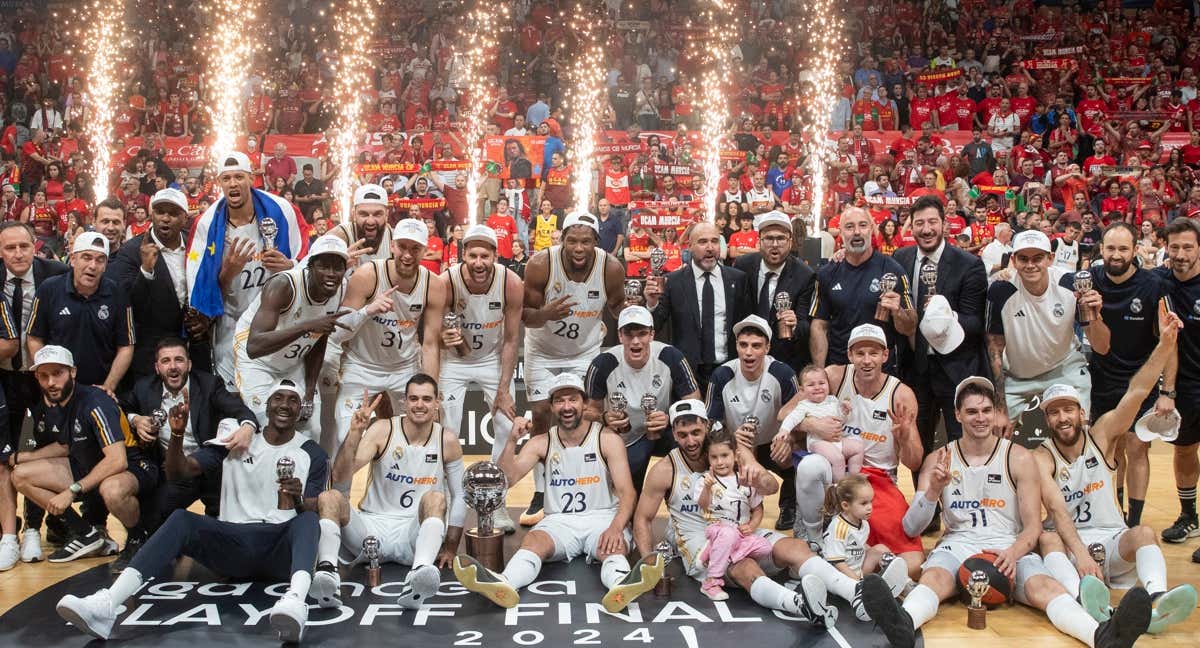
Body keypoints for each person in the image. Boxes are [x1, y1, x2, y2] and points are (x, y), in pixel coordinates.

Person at [861, 376, 1153, 648]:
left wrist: (1013, 554)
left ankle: (1101, 636)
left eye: (987, 410)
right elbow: (912, 528)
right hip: (958, 544)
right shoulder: (939, 459)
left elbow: (1032, 527)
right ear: (958, 415)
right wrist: (933, 491)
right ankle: (903, 624)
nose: (980, 418)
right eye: (972, 411)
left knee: (1045, 587)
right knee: (934, 579)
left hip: (1009, 545)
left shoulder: (1019, 457)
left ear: (996, 413)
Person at [54, 379, 329, 643]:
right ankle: (107, 605)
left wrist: (297, 500)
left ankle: (295, 602)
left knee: (306, 519)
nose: (285, 405)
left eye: (293, 401)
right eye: (278, 398)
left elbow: (315, 508)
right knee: (181, 520)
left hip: (277, 548)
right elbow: (179, 472)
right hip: (233, 544)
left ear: (300, 410)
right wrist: (176, 434)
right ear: (266, 406)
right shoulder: (236, 440)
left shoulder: (312, 452)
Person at [1036, 310, 1197, 635]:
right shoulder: (1040, 457)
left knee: (1145, 533)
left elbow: (1137, 391)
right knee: (1047, 536)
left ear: (1082, 413)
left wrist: (1165, 346)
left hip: (1111, 540)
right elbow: (1053, 509)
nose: (1063, 418)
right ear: (1047, 420)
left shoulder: (1102, 435)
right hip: (1069, 548)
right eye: (1054, 413)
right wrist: (1081, 554)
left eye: (1069, 409)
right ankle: (1082, 596)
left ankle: (1155, 602)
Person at [451, 374, 664, 613]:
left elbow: (627, 493)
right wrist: (512, 440)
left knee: (613, 548)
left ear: (584, 403)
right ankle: (505, 584)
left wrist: (616, 527)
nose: (567, 407)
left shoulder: (607, 438)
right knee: (533, 541)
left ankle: (620, 586)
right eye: (560, 401)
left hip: (602, 517)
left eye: (572, 399)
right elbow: (507, 480)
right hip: (559, 521)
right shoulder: (541, 442)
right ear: (551, 406)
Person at [633, 399, 856, 623]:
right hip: (703, 545)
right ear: (673, 433)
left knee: (796, 547)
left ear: (707, 426)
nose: (690, 441)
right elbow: (642, 518)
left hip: (742, 531)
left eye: (696, 432)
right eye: (682, 434)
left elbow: (772, 486)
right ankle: (801, 606)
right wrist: (648, 561)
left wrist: (758, 478)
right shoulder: (665, 469)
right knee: (745, 566)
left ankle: (855, 592)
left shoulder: (732, 452)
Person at [311, 374, 465, 610]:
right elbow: (339, 476)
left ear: (437, 402)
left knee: (436, 497)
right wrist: (354, 433)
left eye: (426, 399)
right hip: (371, 529)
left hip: (414, 535)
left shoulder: (447, 439)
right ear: (403, 401)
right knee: (329, 497)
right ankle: (328, 574)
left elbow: (460, 495)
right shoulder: (383, 429)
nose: (419, 405)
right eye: (413, 398)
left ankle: (419, 575)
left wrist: (451, 547)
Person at [784, 324, 924, 577]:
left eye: (873, 353)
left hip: (877, 480)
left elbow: (914, 463)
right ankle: (811, 536)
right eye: (860, 353)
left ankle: (866, 574)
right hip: (833, 469)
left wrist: (906, 437)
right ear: (850, 355)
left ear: (885, 355)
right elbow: (785, 413)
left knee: (912, 559)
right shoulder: (834, 377)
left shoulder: (901, 394)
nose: (867, 360)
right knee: (810, 464)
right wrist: (813, 424)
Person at [520, 212, 626, 525]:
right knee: (541, 413)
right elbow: (526, 315)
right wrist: (546, 315)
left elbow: (618, 306)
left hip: (585, 350)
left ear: (597, 242)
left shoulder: (611, 268)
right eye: (572, 241)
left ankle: (592, 486)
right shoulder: (541, 264)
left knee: (587, 418)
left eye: (586, 241)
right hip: (542, 349)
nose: (578, 248)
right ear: (562, 239)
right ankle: (540, 491)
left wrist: (636, 308)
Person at [119, 338, 256, 565]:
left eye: (179, 360)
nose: (173, 366)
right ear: (157, 368)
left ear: (189, 364)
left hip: (211, 467)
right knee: (153, 522)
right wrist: (136, 419)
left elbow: (240, 410)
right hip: (174, 471)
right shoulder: (144, 388)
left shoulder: (209, 384)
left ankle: (219, 531)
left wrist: (247, 427)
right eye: (166, 361)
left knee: (229, 533)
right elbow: (122, 404)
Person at [10, 346, 148, 564]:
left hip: (131, 466)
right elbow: (64, 446)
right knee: (20, 475)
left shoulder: (95, 401)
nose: (51, 382)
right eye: (44, 376)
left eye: (57, 373)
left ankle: (138, 537)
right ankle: (86, 534)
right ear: (36, 376)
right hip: (87, 468)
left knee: (111, 490)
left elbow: (117, 459)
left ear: (72, 372)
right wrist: (21, 458)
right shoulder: (53, 403)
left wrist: (72, 491)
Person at [325, 219, 446, 460]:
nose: (408, 255)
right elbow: (339, 331)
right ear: (392, 246)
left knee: (418, 438)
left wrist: (431, 390)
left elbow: (431, 343)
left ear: (425, 250)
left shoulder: (433, 284)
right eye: (402, 247)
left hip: (404, 367)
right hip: (361, 365)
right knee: (344, 439)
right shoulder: (368, 274)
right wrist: (368, 311)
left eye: (415, 249)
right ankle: (339, 497)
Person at [185, 152, 304, 390]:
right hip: (231, 323)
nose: (233, 184)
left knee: (280, 394)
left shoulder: (282, 210)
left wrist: (290, 266)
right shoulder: (206, 224)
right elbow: (199, 288)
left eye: (239, 177)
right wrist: (228, 272)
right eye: (226, 178)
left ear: (252, 179)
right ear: (219, 183)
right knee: (234, 396)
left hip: (277, 321)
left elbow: (307, 258)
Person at [1085, 223, 1170, 528]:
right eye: (1110, 248)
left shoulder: (1153, 286)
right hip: (1103, 376)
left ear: (1136, 250)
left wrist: (1166, 391)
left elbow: (1169, 341)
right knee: (1110, 447)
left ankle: (1134, 521)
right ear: (1102, 250)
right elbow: (1101, 346)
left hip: (1141, 379)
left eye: (1123, 248)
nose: (1116, 255)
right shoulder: (1089, 281)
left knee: (1137, 445)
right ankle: (1113, 514)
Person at [438, 224, 522, 531]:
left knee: (505, 424)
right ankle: (447, 502)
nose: (478, 262)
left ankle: (497, 503)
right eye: (472, 255)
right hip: (453, 362)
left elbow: (512, 339)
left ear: (495, 256)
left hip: (491, 358)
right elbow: (430, 329)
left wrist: (503, 390)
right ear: (463, 256)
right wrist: (444, 337)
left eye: (484, 255)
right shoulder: (446, 281)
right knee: (446, 430)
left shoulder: (510, 282)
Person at [893, 196, 987, 456]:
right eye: (919, 223)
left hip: (955, 368)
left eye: (933, 222)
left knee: (962, 444)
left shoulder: (969, 265)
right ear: (910, 227)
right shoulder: (899, 258)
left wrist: (946, 318)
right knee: (917, 444)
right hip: (914, 371)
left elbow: (975, 322)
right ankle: (925, 497)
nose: (926, 229)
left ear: (944, 224)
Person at [232, 235, 349, 441]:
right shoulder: (284, 285)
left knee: (312, 430)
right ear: (310, 266)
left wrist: (310, 390)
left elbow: (318, 339)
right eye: (323, 266)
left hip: (293, 361)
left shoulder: (340, 288)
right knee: (265, 426)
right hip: (258, 362)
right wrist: (308, 326)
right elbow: (254, 346)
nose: (331, 274)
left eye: (338, 267)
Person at [0, 220, 67, 565]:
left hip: (45, 378)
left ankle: (35, 530)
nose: (17, 254)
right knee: (7, 454)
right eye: (9, 248)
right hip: (6, 379)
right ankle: (10, 532)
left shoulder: (56, 273)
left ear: (34, 246)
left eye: (23, 246)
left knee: (39, 451)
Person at [986, 229, 1096, 437]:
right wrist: (1000, 408)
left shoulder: (1069, 284)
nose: (1030, 265)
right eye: (1023, 258)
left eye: (1038, 258)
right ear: (1013, 260)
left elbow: (1097, 340)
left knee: (1079, 434)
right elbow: (995, 351)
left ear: (1050, 258)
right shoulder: (1001, 290)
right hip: (1017, 377)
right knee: (996, 434)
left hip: (1064, 369)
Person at [585, 305, 700, 492]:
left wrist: (671, 419)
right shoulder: (603, 363)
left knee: (694, 441)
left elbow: (695, 404)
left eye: (642, 333)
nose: (636, 341)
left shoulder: (670, 356)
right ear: (620, 336)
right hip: (625, 437)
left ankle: (687, 503)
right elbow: (587, 412)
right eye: (629, 335)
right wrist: (604, 418)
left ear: (652, 334)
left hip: (663, 431)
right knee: (626, 490)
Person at [105, 188, 207, 386]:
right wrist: (146, 271)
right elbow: (127, 304)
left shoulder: (197, 245)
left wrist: (206, 319)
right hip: (151, 353)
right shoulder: (131, 251)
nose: (165, 218)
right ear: (152, 215)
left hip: (194, 347)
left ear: (185, 218)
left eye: (173, 213)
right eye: (160, 212)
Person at [707, 315, 799, 529]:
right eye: (743, 345)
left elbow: (801, 413)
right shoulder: (722, 375)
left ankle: (790, 504)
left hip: (773, 441)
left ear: (767, 348)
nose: (749, 352)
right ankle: (724, 505)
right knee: (710, 452)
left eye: (756, 346)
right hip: (735, 442)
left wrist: (789, 438)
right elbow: (710, 422)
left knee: (800, 456)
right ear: (736, 346)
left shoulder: (782, 373)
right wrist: (730, 438)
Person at [646, 221, 751, 393]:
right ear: (690, 246)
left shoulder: (738, 279)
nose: (710, 248)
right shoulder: (673, 281)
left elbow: (746, 325)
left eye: (715, 241)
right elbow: (655, 325)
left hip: (730, 370)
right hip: (688, 373)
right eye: (702, 242)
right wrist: (651, 303)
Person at [26, 232, 134, 394]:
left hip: (99, 389)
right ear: (73, 259)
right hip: (57, 390)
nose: (93, 265)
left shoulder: (117, 293)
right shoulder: (49, 289)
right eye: (86, 257)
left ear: (105, 266)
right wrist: (48, 379)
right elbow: (34, 337)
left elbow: (126, 345)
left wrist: (109, 386)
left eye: (100, 260)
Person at [808, 206, 915, 370]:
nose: (857, 232)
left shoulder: (893, 270)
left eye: (863, 225)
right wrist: (820, 371)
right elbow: (819, 326)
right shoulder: (827, 273)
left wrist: (897, 311)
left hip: (881, 370)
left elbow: (910, 328)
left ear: (871, 230)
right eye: (849, 227)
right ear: (841, 232)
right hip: (839, 368)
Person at [1153, 218, 1200, 552]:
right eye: (1175, 247)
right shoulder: (1158, 283)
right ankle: (1189, 516)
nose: (1181, 253)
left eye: (1188, 246)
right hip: (1181, 384)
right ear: (1166, 248)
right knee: (1185, 450)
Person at [695, 425, 772, 601]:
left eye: (724, 456)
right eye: (714, 457)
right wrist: (707, 487)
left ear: (735, 456)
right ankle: (711, 582)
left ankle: (715, 553)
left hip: (740, 534)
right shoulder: (706, 480)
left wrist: (752, 526)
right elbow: (703, 505)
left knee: (765, 547)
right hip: (717, 529)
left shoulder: (744, 480)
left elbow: (758, 509)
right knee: (728, 534)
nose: (719, 462)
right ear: (708, 458)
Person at [733, 211, 816, 371]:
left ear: (790, 242)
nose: (775, 244)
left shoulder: (805, 274)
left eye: (781, 238)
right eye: (769, 238)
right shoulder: (743, 265)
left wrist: (795, 324)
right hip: (746, 357)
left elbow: (806, 325)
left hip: (785, 359)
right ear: (759, 241)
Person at [821, 474, 911, 617]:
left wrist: (877, 555)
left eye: (871, 502)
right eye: (864, 503)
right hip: (840, 577)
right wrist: (858, 582)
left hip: (858, 570)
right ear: (846, 505)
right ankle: (864, 595)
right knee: (868, 579)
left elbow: (860, 546)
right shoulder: (839, 528)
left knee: (881, 548)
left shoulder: (864, 524)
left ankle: (904, 582)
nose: (870, 508)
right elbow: (837, 562)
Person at [780, 364, 863, 480]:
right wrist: (784, 430)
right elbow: (792, 418)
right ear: (802, 389)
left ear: (828, 385)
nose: (817, 387)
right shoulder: (804, 405)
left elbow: (840, 420)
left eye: (821, 383)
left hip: (837, 441)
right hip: (818, 443)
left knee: (857, 448)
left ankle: (854, 479)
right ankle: (839, 486)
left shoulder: (833, 400)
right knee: (838, 459)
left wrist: (844, 411)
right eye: (811, 385)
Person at [328, 183, 392, 262]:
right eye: (364, 214)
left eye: (377, 214)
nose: (370, 221)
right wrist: (337, 263)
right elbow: (309, 266)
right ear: (354, 214)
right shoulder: (340, 235)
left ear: (387, 215)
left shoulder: (395, 238)